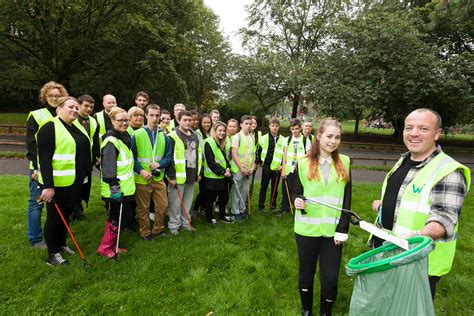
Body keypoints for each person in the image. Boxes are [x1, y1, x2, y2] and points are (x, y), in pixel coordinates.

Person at [370, 108, 470, 299]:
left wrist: (416, 237)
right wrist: (384, 206)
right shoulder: (405, 160)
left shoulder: (448, 171)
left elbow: (444, 220)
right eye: (409, 128)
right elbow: (406, 197)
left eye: (423, 128)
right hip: (389, 252)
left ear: (437, 134)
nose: (414, 133)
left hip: (417, 261)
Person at [292, 118, 352, 316]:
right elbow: (295, 191)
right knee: (306, 273)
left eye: (337, 137)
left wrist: (343, 229)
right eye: (329, 136)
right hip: (306, 230)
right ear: (318, 136)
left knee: (330, 279)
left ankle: (325, 313)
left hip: (333, 233)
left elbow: (347, 200)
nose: (333, 141)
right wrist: (296, 200)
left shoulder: (345, 162)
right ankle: (306, 310)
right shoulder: (302, 163)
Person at [36, 97, 92, 266]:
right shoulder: (49, 127)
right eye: (71, 107)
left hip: (74, 182)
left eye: (76, 107)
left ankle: (61, 244)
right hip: (57, 184)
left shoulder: (76, 126)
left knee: (66, 216)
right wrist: (48, 186)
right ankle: (52, 254)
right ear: (59, 108)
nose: (75, 110)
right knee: (54, 218)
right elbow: (45, 160)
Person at [25, 81, 68, 249]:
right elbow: (31, 144)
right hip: (39, 168)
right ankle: (35, 239)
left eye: (58, 95)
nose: (54, 98)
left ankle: (57, 238)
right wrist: (36, 167)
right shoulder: (37, 115)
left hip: (60, 169)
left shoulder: (64, 114)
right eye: (51, 95)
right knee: (37, 202)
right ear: (45, 97)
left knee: (58, 204)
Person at [96, 107, 136, 258]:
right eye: (120, 120)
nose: (125, 123)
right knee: (116, 217)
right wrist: (114, 187)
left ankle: (114, 245)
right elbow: (108, 167)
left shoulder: (124, 137)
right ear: (112, 121)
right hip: (115, 189)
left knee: (122, 217)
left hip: (125, 188)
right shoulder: (111, 141)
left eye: (127, 120)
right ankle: (105, 247)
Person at [131, 104, 173, 241]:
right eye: (151, 115)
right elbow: (132, 157)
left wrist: (160, 164)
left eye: (157, 115)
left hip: (158, 177)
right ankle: (145, 233)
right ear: (146, 116)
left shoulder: (164, 136)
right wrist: (141, 170)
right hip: (142, 178)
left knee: (163, 205)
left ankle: (158, 229)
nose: (154, 118)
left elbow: (168, 157)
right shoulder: (136, 134)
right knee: (143, 208)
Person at [167, 110, 202, 235]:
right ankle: (173, 226)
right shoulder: (173, 136)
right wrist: (171, 176)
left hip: (191, 174)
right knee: (175, 203)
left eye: (190, 120)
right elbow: (169, 158)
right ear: (178, 120)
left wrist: (198, 172)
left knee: (187, 202)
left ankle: (186, 223)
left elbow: (198, 155)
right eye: (185, 120)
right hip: (177, 176)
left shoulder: (195, 135)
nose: (188, 122)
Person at [73, 94, 100, 220]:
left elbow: (94, 141)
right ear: (78, 104)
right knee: (74, 186)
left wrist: (97, 157)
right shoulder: (71, 119)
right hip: (74, 160)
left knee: (84, 186)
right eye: (86, 106)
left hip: (88, 160)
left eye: (91, 107)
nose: (89, 109)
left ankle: (78, 209)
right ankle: (75, 211)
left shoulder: (94, 121)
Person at [202, 121, 233, 224]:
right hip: (212, 177)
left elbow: (224, 159)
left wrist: (228, 168)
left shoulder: (221, 142)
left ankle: (223, 216)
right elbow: (210, 162)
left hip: (223, 176)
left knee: (223, 198)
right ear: (214, 131)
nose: (222, 133)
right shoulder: (209, 142)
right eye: (220, 130)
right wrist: (223, 171)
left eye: (224, 131)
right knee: (210, 199)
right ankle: (209, 218)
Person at [280, 118, 311, 214]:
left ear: (300, 128)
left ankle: (298, 207)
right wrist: (283, 170)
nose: (294, 131)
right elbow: (284, 155)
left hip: (300, 170)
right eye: (292, 129)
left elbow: (309, 155)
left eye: (296, 129)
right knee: (286, 189)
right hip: (289, 169)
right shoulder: (287, 140)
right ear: (290, 129)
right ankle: (286, 208)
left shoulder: (306, 140)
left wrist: (299, 161)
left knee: (297, 190)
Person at [230, 115, 256, 221]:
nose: (249, 126)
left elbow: (253, 154)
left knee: (245, 190)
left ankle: (241, 209)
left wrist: (253, 167)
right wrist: (241, 168)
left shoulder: (252, 137)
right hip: (238, 169)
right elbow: (234, 155)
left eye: (250, 124)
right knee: (237, 191)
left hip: (248, 169)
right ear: (241, 125)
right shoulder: (237, 137)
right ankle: (234, 212)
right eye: (246, 124)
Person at [257, 118, 285, 212]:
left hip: (277, 167)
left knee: (275, 187)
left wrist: (281, 165)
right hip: (267, 166)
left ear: (279, 127)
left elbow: (283, 154)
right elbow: (259, 151)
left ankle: (272, 205)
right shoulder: (263, 138)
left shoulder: (283, 139)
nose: (274, 128)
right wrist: (260, 162)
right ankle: (261, 206)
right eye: (272, 126)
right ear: (269, 126)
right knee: (264, 186)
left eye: (276, 126)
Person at [193, 113, 212, 214]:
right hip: (201, 166)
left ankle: (204, 208)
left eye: (208, 122)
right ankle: (195, 209)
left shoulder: (212, 133)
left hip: (211, 166)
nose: (206, 124)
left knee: (209, 190)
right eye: (204, 122)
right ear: (200, 123)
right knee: (203, 190)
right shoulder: (197, 133)